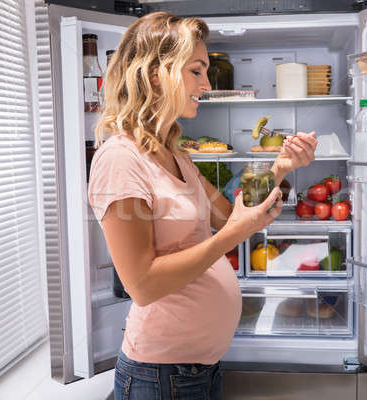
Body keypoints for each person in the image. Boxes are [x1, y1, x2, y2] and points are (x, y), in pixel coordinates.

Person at [88, 11, 317, 400]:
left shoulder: (176, 154)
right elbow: (141, 285)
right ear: (156, 73)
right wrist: (230, 237)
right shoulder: (120, 160)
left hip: (198, 370)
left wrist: (279, 168)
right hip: (161, 375)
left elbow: (229, 214)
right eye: (196, 71)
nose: (207, 84)